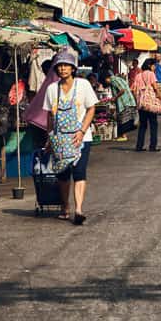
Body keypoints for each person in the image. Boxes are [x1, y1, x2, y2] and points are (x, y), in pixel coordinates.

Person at [43, 51, 98, 224]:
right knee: (63, 174)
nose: (63, 68)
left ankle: (79, 209)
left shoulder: (83, 85)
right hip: (60, 140)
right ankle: (65, 206)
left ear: (73, 68)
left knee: (79, 172)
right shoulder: (52, 89)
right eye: (59, 66)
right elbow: (49, 117)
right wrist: (50, 138)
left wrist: (82, 131)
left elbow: (91, 109)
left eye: (66, 65)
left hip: (81, 138)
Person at [131, 59, 161, 152]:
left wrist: (137, 99)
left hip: (141, 103)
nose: (155, 67)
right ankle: (153, 146)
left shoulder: (138, 76)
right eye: (154, 65)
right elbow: (155, 88)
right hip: (150, 103)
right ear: (149, 65)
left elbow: (133, 89)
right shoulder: (151, 74)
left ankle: (139, 146)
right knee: (153, 124)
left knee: (142, 125)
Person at [106, 69, 137, 141]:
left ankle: (123, 136)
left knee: (124, 119)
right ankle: (122, 135)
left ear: (107, 78)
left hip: (125, 102)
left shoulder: (113, 80)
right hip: (129, 101)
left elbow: (122, 90)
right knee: (125, 118)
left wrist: (114, 98)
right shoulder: (119, 78)